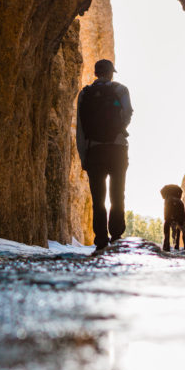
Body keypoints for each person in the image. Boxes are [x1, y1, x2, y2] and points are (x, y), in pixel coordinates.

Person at [76, 59, 133, 255]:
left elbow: (80, 129)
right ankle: (116, 236)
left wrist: (84, 156)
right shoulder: (121, 90)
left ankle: (101, 239)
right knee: (117, 194)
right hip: (117, 149)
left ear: (96, 73)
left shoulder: (84, 94)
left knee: (98, 197)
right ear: (110, 73)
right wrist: (117, 130)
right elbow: (127, 113)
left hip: (94, 151)